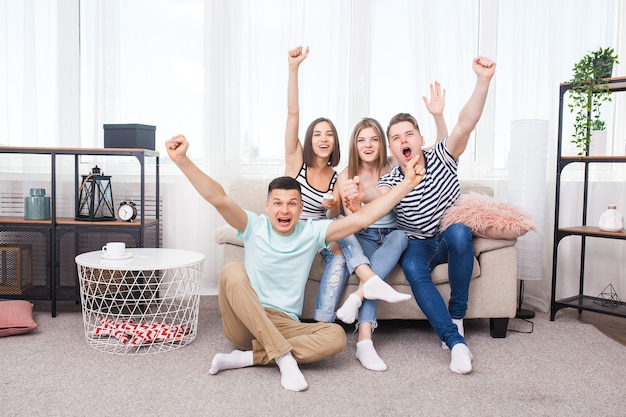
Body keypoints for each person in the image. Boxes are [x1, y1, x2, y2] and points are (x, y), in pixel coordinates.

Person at [166, 134, 425, 392]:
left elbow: (361, 220)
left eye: (292, 204)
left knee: (335, 337)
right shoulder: (254, 226)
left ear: (301, 208)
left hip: (286, 324)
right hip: (245, 322)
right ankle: (283, 358)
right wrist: (182, 160)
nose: (284, 210)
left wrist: (408, 183)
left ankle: (249, 357)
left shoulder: (311, 232)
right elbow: (218, 198)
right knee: (232, 270)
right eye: (277, 203)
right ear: (267, 207)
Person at [343, 56, 496, 375]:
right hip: (420, 245)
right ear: (392, 149)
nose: (403, 141)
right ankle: (455, 342)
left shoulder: (442, 155)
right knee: (412, 265)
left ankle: (457, 314)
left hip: (449, 234)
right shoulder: (390, 180)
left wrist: (482, 82)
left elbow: (465, 124)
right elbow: (377, 194)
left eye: (408, 134)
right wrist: (359, 192)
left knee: (457, 231)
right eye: (396, 138)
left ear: (420, 139)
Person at [324, 83, 448, 372]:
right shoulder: (346, 175)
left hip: (392, 236)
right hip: (363, 235)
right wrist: (344, 203)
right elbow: (349, 216)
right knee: (349, 235)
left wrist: (439, 118)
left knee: (401, 236)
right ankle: (365, 340)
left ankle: (358, 299)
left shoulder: (396, 166)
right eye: (361, 140)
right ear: (355, 145)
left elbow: (439, 149)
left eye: (374, 140)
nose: (368, 145)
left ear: (384, 144)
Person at [284, 46, 406, 324]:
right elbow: (292, 114)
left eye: (329, 134)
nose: (323, 139)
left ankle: (323, 322)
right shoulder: (296, 162)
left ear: (337, 143)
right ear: (310, 138)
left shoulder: (337, 174)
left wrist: (337, 205)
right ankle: (368, 281)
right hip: (304, 231)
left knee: (339, 247)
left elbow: (338, 216)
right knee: (338, 232)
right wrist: (293, 69)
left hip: (327, 234)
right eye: (317, 134)